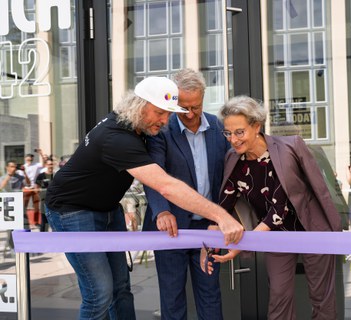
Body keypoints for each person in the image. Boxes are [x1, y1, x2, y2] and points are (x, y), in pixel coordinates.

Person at [44, 76, 244, 320]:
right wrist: (222, 217)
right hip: (72, 211)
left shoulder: (138, 126)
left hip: (108, 210)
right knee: (99, 293)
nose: (165, 120)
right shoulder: (118, 137)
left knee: (121, 290)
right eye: (160, 112)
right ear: (139, 105)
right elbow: (167, 186)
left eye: (169, 113)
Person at [206, 95, 342, 320]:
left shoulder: (291, 146)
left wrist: (243, 242)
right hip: (275, 235)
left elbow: (284, 207)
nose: (233, 139)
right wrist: (213, 235)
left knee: (321, 296)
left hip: (312, 229)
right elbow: (226, 201)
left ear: (256, 126)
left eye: (239, 132)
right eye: (228, 133)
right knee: (279, 294)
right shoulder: (233, 158)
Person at [143, 69, 230, 320]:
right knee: (172, 299)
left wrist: (220, 217)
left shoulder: (217, 127)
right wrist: (161, 211)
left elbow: (227, 178)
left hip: (208, 229)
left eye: (196, 106)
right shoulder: (163, 130)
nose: (191, 114)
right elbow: (153, 174)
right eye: (184, 108)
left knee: (210, 294)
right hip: (171, 230)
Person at [0, 160, 29, 249]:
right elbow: (1, 187)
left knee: (23, 224)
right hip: (8, 204)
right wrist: (9, 175)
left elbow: (28, 183)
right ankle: (12, 246)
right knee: (10, 228)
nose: (14, 169)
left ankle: (23, 244)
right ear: (7, 167)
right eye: (12, 166)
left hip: (19, 203)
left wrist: (24, 172)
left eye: (15, 167)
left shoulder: (20, 177)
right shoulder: (3, 177)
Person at [34, 157, 55, 232]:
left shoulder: (56, 175)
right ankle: (43, 238)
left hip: (55, 202)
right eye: (49, 164)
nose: (50, 166)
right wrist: (41, 196)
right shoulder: (41, 176)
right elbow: (36, 188)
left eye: (52, 164)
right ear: (46, 165)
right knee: (44, 221)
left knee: (55, 222)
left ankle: (56, 238)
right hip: (44, 202)